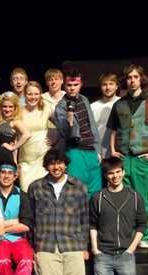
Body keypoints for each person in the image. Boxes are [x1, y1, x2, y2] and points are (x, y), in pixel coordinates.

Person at [108, 64, 148, 248]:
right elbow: (114, 130)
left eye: (135, 77)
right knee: (124, 198)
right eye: (128, 78)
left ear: (141, 78)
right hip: (124, 157)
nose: (131, 81)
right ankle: (127, 233)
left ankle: (144, 236)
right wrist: (112, 150)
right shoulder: (119, 104)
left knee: (142, 198)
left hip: (142, 156)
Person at [90, 158, 147, 275]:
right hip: (103, 257)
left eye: (117, 172)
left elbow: (142, 224)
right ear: (106, 175)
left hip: (126, 255)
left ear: (123, 172)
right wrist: (95, 248)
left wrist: (132, 247)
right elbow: (92, 223)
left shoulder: (135, 196)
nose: (115, 176)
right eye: (111, 173)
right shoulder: (98, 197)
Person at [55, 68, 103, 199]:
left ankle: (92, 220)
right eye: (69, 85)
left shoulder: (84, 100)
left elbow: (92, 125)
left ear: (81, 84)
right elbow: (65, 134)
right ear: (64, 85)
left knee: (95, 192)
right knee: (76, 192)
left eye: (75, 85)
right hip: (75, 150)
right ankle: (79, 220)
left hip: (92, 151)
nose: (72, 88)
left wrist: (98, 150)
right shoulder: (61, 106)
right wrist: (69, 116)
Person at [18, 81, 55, 192]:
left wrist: (54, 139)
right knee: (26, 192)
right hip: (25, 161)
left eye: (36, 94)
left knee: (44, 194)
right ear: (24, 95)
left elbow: (60, 128)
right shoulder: (18, 112)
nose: (33, 97)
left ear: (40, 94)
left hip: (43, 160)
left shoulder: (48, 110)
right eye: (30, 94)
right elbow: (14, 136)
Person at [0, 92, 31, 172]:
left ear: (15, 107)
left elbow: (27, 134)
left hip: (3, 156)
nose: (7, 109)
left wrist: (13, 147)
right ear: (0, 107)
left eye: (10, 107)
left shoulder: (15, 121)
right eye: (5, 106)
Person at [90, 73, 120, 158]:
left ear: (116, 86)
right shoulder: (93, 106)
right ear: (100, 87)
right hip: (99, 153)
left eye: (111, 84)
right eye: (104, 84)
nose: (108, 88)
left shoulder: (122, 103)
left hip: (118, 153)